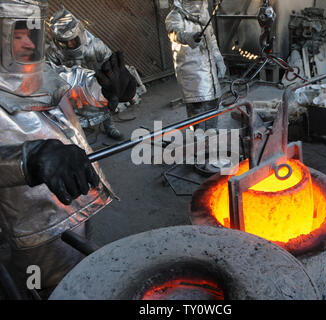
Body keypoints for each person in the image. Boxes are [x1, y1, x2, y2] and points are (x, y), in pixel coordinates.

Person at [0, 0, 136, 297]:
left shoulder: (36, 69)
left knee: (84, 271)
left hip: (77, 198)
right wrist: (29, 160)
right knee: (49, 287)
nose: (28, 41)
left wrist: (105, 87)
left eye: (33, 30)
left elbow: (69, 82)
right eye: (18, 30)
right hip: (36, 226)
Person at [46, 8, 125, 140]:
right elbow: (51, 75)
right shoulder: (54, 52)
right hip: (73, 91)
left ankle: (110, 127)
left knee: (104, 104)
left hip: (96, 84)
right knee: (73, 115)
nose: (69, 44)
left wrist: (114, 92)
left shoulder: (96, 45)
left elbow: (112, 65)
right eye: (65, 42)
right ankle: (79, 137)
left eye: (72, 40)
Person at [165, 0, 226, 131]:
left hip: (209, 73)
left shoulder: (204, 14)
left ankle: (211, 140)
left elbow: (211, 37)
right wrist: (189, 37)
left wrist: (218, 58)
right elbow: (174, 32)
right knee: (197, 111)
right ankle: (200, 145)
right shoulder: (175, 16)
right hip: (192, 73)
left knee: (213, 105)